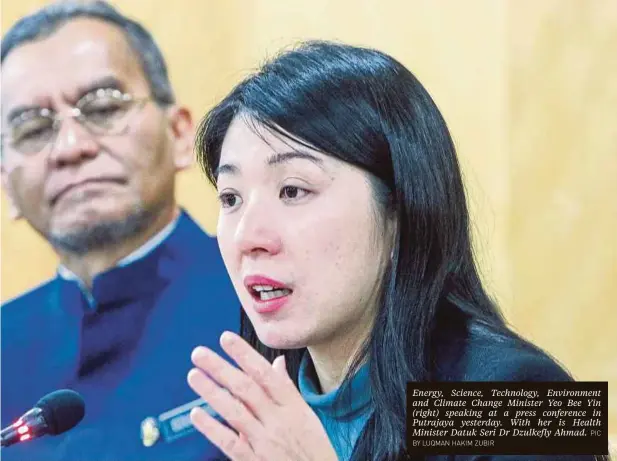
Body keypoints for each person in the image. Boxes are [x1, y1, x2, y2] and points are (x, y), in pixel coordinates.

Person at [186, 41, 601, 460]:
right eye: (231, 198)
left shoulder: (522, 398)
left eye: (293, 190)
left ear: (401, 210)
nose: (248, 237)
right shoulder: (263, 410)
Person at [1, 2, 237, 460]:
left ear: (180, 134)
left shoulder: (279, 294)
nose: (71, 147)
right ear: (7, 184)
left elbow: (421, 430)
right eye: (33, 129)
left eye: (103, 107)